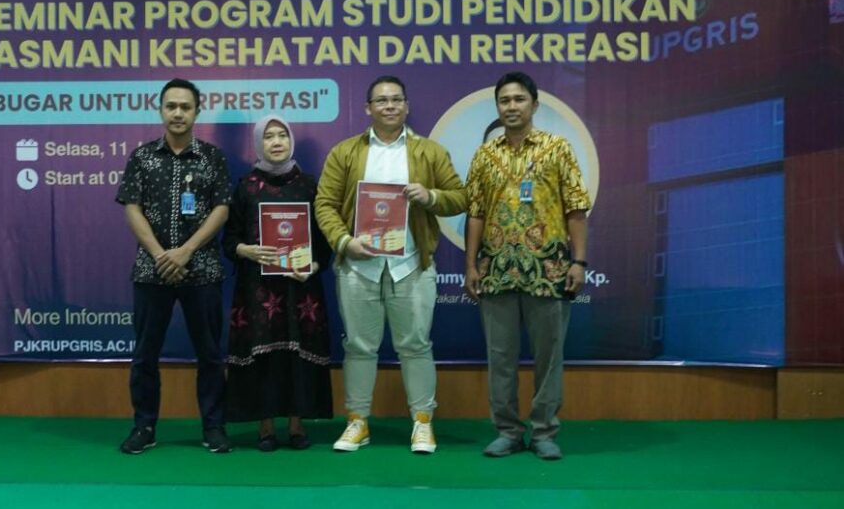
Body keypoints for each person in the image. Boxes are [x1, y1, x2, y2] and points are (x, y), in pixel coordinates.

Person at [315, 75, 466, 454]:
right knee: (359, 347)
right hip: (358, 266)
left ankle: (422, 423)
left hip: (411, 265)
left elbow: (459, 197)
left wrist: (431, 196)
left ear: (407, 106)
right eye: (381, 100)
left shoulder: (429, 151)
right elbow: (325, 204)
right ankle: (358, 422)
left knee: (416, 345)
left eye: (396, 99)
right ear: (368, 108)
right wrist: (345, 242)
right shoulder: (345, 152)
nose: (389, 106)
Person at [463, 71, 591, 461]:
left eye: (519, 99)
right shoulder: (485, 155)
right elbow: (475, 213)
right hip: (496, 270)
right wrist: (471, 265)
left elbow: (576, 208)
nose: (512, 106)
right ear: (497, 107)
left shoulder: (557, 148)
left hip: (548, 270)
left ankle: (544, 432)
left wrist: (579, 261)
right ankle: (507, 431)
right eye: (504, 100)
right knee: (500, 358)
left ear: (534, 105)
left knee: (549, 358)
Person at [115, 78, 233, 454]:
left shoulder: (213, 157)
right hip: (152, 270)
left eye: (185, 107)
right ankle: (144, 427)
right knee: (144, 355)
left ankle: (213, 427)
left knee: (210, 355)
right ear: (161, 110)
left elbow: (222, 209)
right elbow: (132, 207)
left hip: (203, 269)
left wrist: (186, 251)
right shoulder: (142, 157)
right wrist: (160, 254)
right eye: (171, 106)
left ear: (197, 111)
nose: (178, 113)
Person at [222, 115, 334, 452]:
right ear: (259, 143)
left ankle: (297, 425)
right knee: (264, 356)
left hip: (300, 286)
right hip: (257, 288)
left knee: (296, 354)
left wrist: (314, 265)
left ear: (291, 141)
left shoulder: (310, 186)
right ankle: (266, 426)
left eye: (282, 135)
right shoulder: (245, 187)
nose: (276, 142)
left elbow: (324, 242)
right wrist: (246, 250)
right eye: (268, 136)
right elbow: (229, 240)